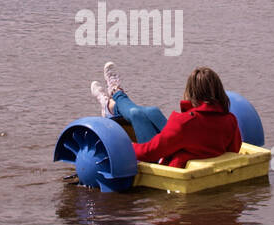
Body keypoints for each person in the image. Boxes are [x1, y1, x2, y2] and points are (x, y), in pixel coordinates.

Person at [90, 62, 242, 168]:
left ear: (193, 92)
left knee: (136, 114)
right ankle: (114, 98)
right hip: (185, 148)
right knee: (153, 111)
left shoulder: (185, 122)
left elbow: (150, 152)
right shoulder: (230, 120)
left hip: (162, 162)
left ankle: (113, 97)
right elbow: (234, 150)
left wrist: (127, 147)